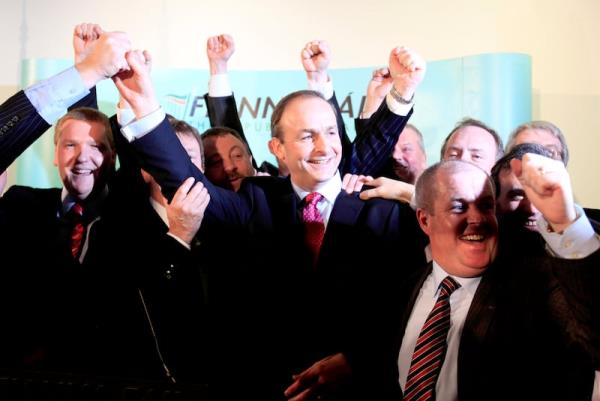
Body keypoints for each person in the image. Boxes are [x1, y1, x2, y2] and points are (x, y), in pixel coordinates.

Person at [115, 45, 427, 400]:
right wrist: (144, 107)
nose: (325, 147)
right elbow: (184, 179)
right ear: (277, 148)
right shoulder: (254, 200)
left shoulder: (381, 208)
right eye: (307, 136)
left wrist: (357, 360)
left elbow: (408, 307)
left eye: (330, 131)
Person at [351, 158, 600, 401]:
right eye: (459, 207)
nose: (477, 219)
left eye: (485, 206)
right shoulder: (400, 291)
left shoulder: (537, 288)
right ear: (425, 220)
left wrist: (565, 221)